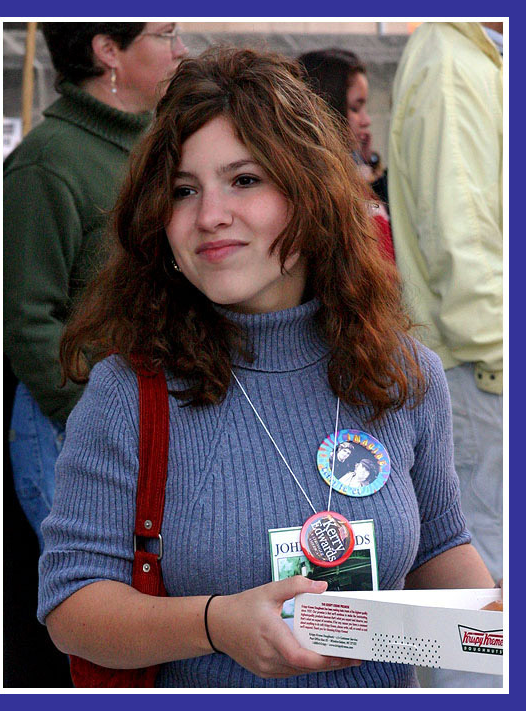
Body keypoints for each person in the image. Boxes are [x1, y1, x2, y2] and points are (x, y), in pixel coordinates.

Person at [38, 47, 496, 689]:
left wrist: (498, 640)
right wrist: (214, 624)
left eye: (244, 180)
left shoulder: (401, 373)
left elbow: (439, 546)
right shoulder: (129, 392)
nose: (210, 215)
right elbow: (72, 608)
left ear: (310, 193)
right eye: (183, 190)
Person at [3, 22, 188, 550]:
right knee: (97, 604)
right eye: (165, 34)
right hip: (73, 426)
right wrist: (86, 416)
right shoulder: (47, 162)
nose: (181, 49)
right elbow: (25, 317)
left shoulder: (157, 146)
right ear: (108, 51)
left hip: (148, 417)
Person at [387, 22, 503, 688]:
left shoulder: (474, 56)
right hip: (480, 368)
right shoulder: (450, 59)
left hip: (480, 362)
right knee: (478, 586)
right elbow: (457, 232)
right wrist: (497, 354)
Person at [298, 48, 394, 262]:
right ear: (328, 109)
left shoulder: (355, 172)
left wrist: (370, 165)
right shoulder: (323, 193)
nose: (366, 119)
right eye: (355, 108)